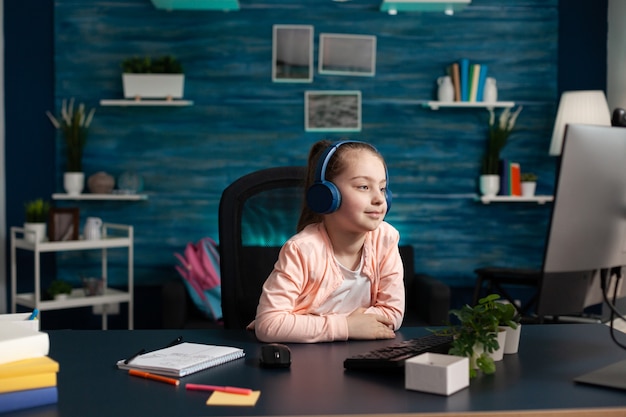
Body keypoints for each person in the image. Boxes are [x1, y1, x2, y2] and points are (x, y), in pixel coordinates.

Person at [249, 140, 405, 343]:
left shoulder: (386, 239)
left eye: (383, 188)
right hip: (305, 362)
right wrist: (347, 326)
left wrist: (300, 325)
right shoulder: (302, 250)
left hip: (359, 356)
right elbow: (269, 325)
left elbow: (393, 312)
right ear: (328, 195)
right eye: (364, 186)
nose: (379, 199)